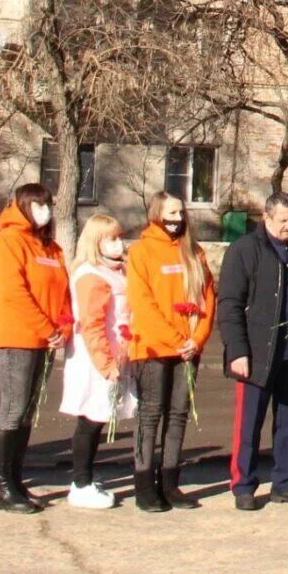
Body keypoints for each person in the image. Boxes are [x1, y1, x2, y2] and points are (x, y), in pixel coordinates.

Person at [220, 191, 288, 511]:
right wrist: (237, 351)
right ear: (266, 218)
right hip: (257, 352)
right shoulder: (244, 250)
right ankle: (243, 484)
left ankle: (286, 482)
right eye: (282, 221)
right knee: (248, 424)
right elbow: (229, 304)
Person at [0, 182, 72, 514]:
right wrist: (46, 327)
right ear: (22, 207)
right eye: (38, 205)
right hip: (19, 336)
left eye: (48, 204)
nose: (45, 210)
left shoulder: (51, 248)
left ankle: (15, 480)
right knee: (13, 409)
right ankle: (2, 486)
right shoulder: (8, 241)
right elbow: (13, 293)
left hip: (47, 338)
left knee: (27, 412)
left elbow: (63, 293)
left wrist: (63, 325)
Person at [124, 191, 213, 513]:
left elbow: (207, 297)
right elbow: (142, 301)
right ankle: (145, 485)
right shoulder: (141, 252)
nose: (177, 219)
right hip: (153, 346)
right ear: (157, 215)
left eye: (181, 213)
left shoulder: (194, 252)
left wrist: (197, 338)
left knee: (178, 416)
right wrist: (176, 338)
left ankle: (171, 482)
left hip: (187, 349)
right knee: (150, 416)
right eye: (171, 213)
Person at [60, 214, 135, 510]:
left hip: (113, 354)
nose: (120, 243)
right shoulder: (92, 275)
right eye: (112, 238)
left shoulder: (115, 271)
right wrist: (106, 363)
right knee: (91, 419)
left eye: (119, 237)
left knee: (98, 418)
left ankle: (86, 476)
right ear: (96, 242)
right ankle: (80, 482)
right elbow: (92, 323)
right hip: (96, 360)